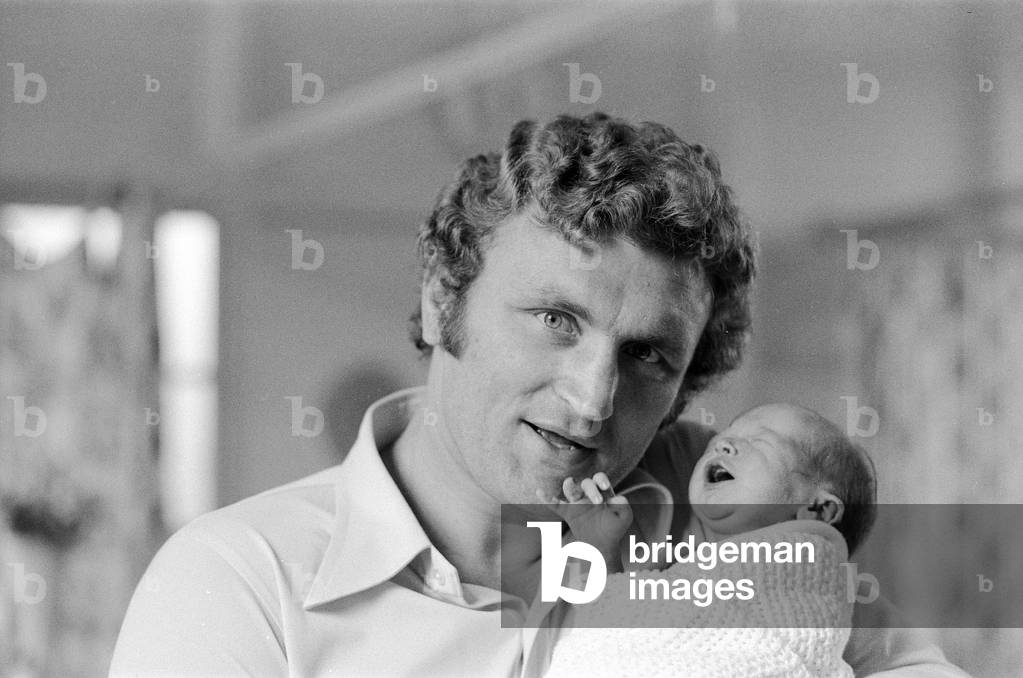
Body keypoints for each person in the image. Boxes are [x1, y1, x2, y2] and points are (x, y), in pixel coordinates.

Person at [109, 112, 968, 677]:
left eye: (646, 359)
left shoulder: (734, 535)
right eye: (557, 319)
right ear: (445, 300)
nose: (592, 398)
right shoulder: (239, 583)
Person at [543, 403, 877, 678]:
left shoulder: (807, 577)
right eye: (724, 438)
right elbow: (619, 631)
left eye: (760, 442)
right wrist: (602, 545)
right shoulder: (688, 570)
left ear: (817, 508)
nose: (723, 444)